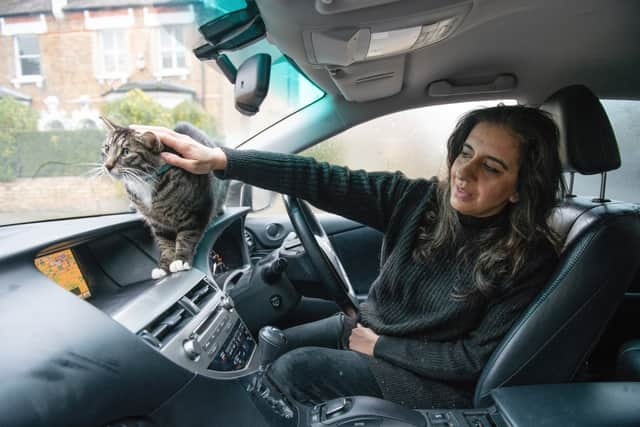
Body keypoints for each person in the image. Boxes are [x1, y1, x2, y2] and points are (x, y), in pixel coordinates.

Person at [132, 104, 563, 409]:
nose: (464, 172)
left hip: (430, 380)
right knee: (261, 358)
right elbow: (321, 178)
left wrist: (381, 347)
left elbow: (474, 361)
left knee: (293, 370)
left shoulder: (529, 257)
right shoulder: (418, 200)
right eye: (465, 152)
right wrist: (221, 160)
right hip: (372, 330)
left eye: (491, 167)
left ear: (522, 187)